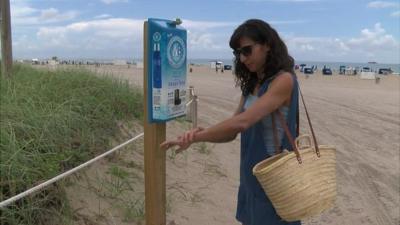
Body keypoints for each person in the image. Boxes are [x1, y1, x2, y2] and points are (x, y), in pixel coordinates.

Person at [161, 19, 300, 225]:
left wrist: (198, 136)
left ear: (267, 45)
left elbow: (243, 122)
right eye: (238, 53)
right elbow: (231, 130)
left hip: (275, 181)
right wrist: (198, 135)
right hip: (251, 178)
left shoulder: (283, 81)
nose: (242, 58)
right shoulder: (252, 85)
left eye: (247, 50)